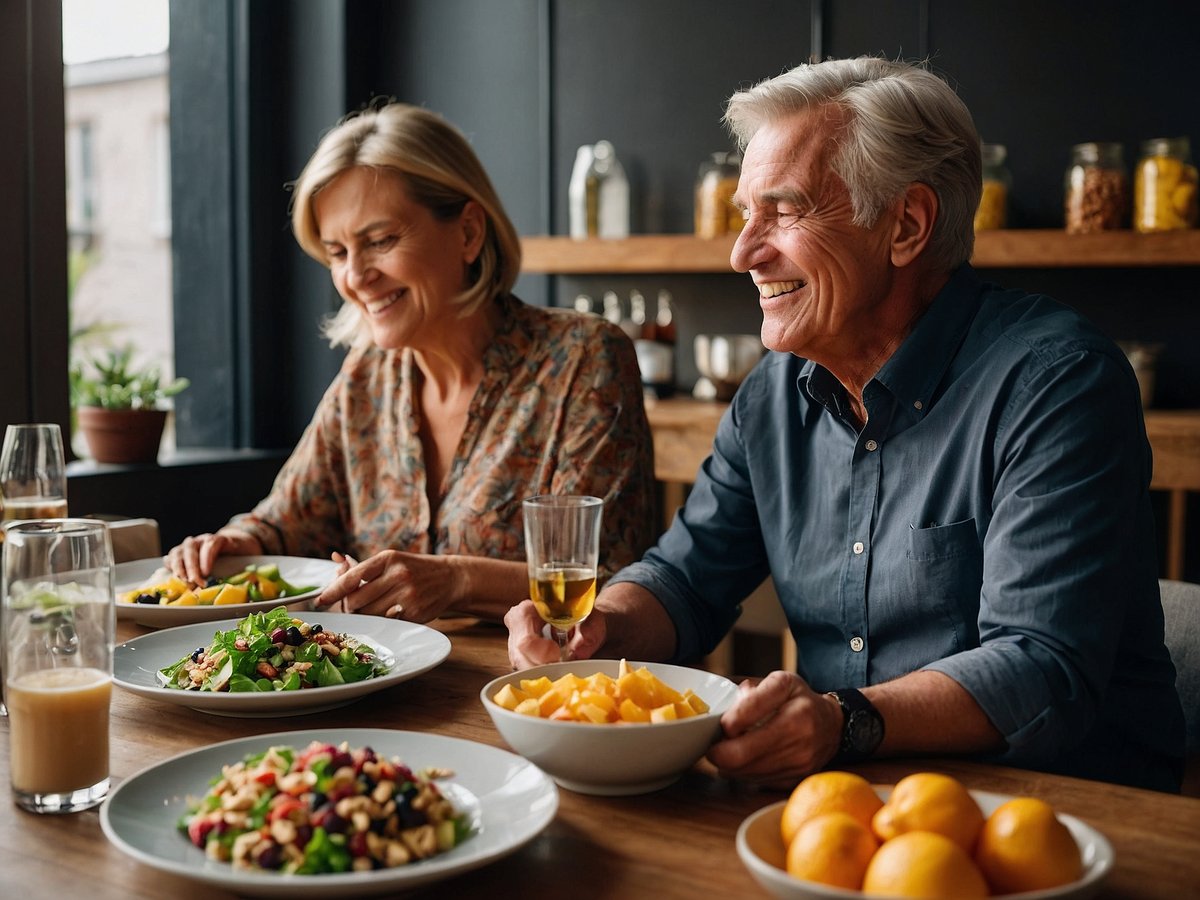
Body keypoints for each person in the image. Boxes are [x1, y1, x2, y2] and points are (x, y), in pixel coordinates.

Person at [507, 57, 1186, 792]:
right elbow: (685, 581)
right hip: (847, 805)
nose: (743, 253)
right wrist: (602, 625)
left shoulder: (1056, 383)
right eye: (744, 214)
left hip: (1062, 815)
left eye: (785, 210)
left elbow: (1039, 665)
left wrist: (843, 720)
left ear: (907, 225)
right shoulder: (772, 395)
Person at [167, 101, 656, 621]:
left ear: (468, 233)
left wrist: (458, 580)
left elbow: (612, 582)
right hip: (385, 689)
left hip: (535, 694)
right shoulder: (366, 375)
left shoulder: (584, 358)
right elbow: (285, 523)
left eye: (379, 241)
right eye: (337, 252)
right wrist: (229, 544)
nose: (355, 276)